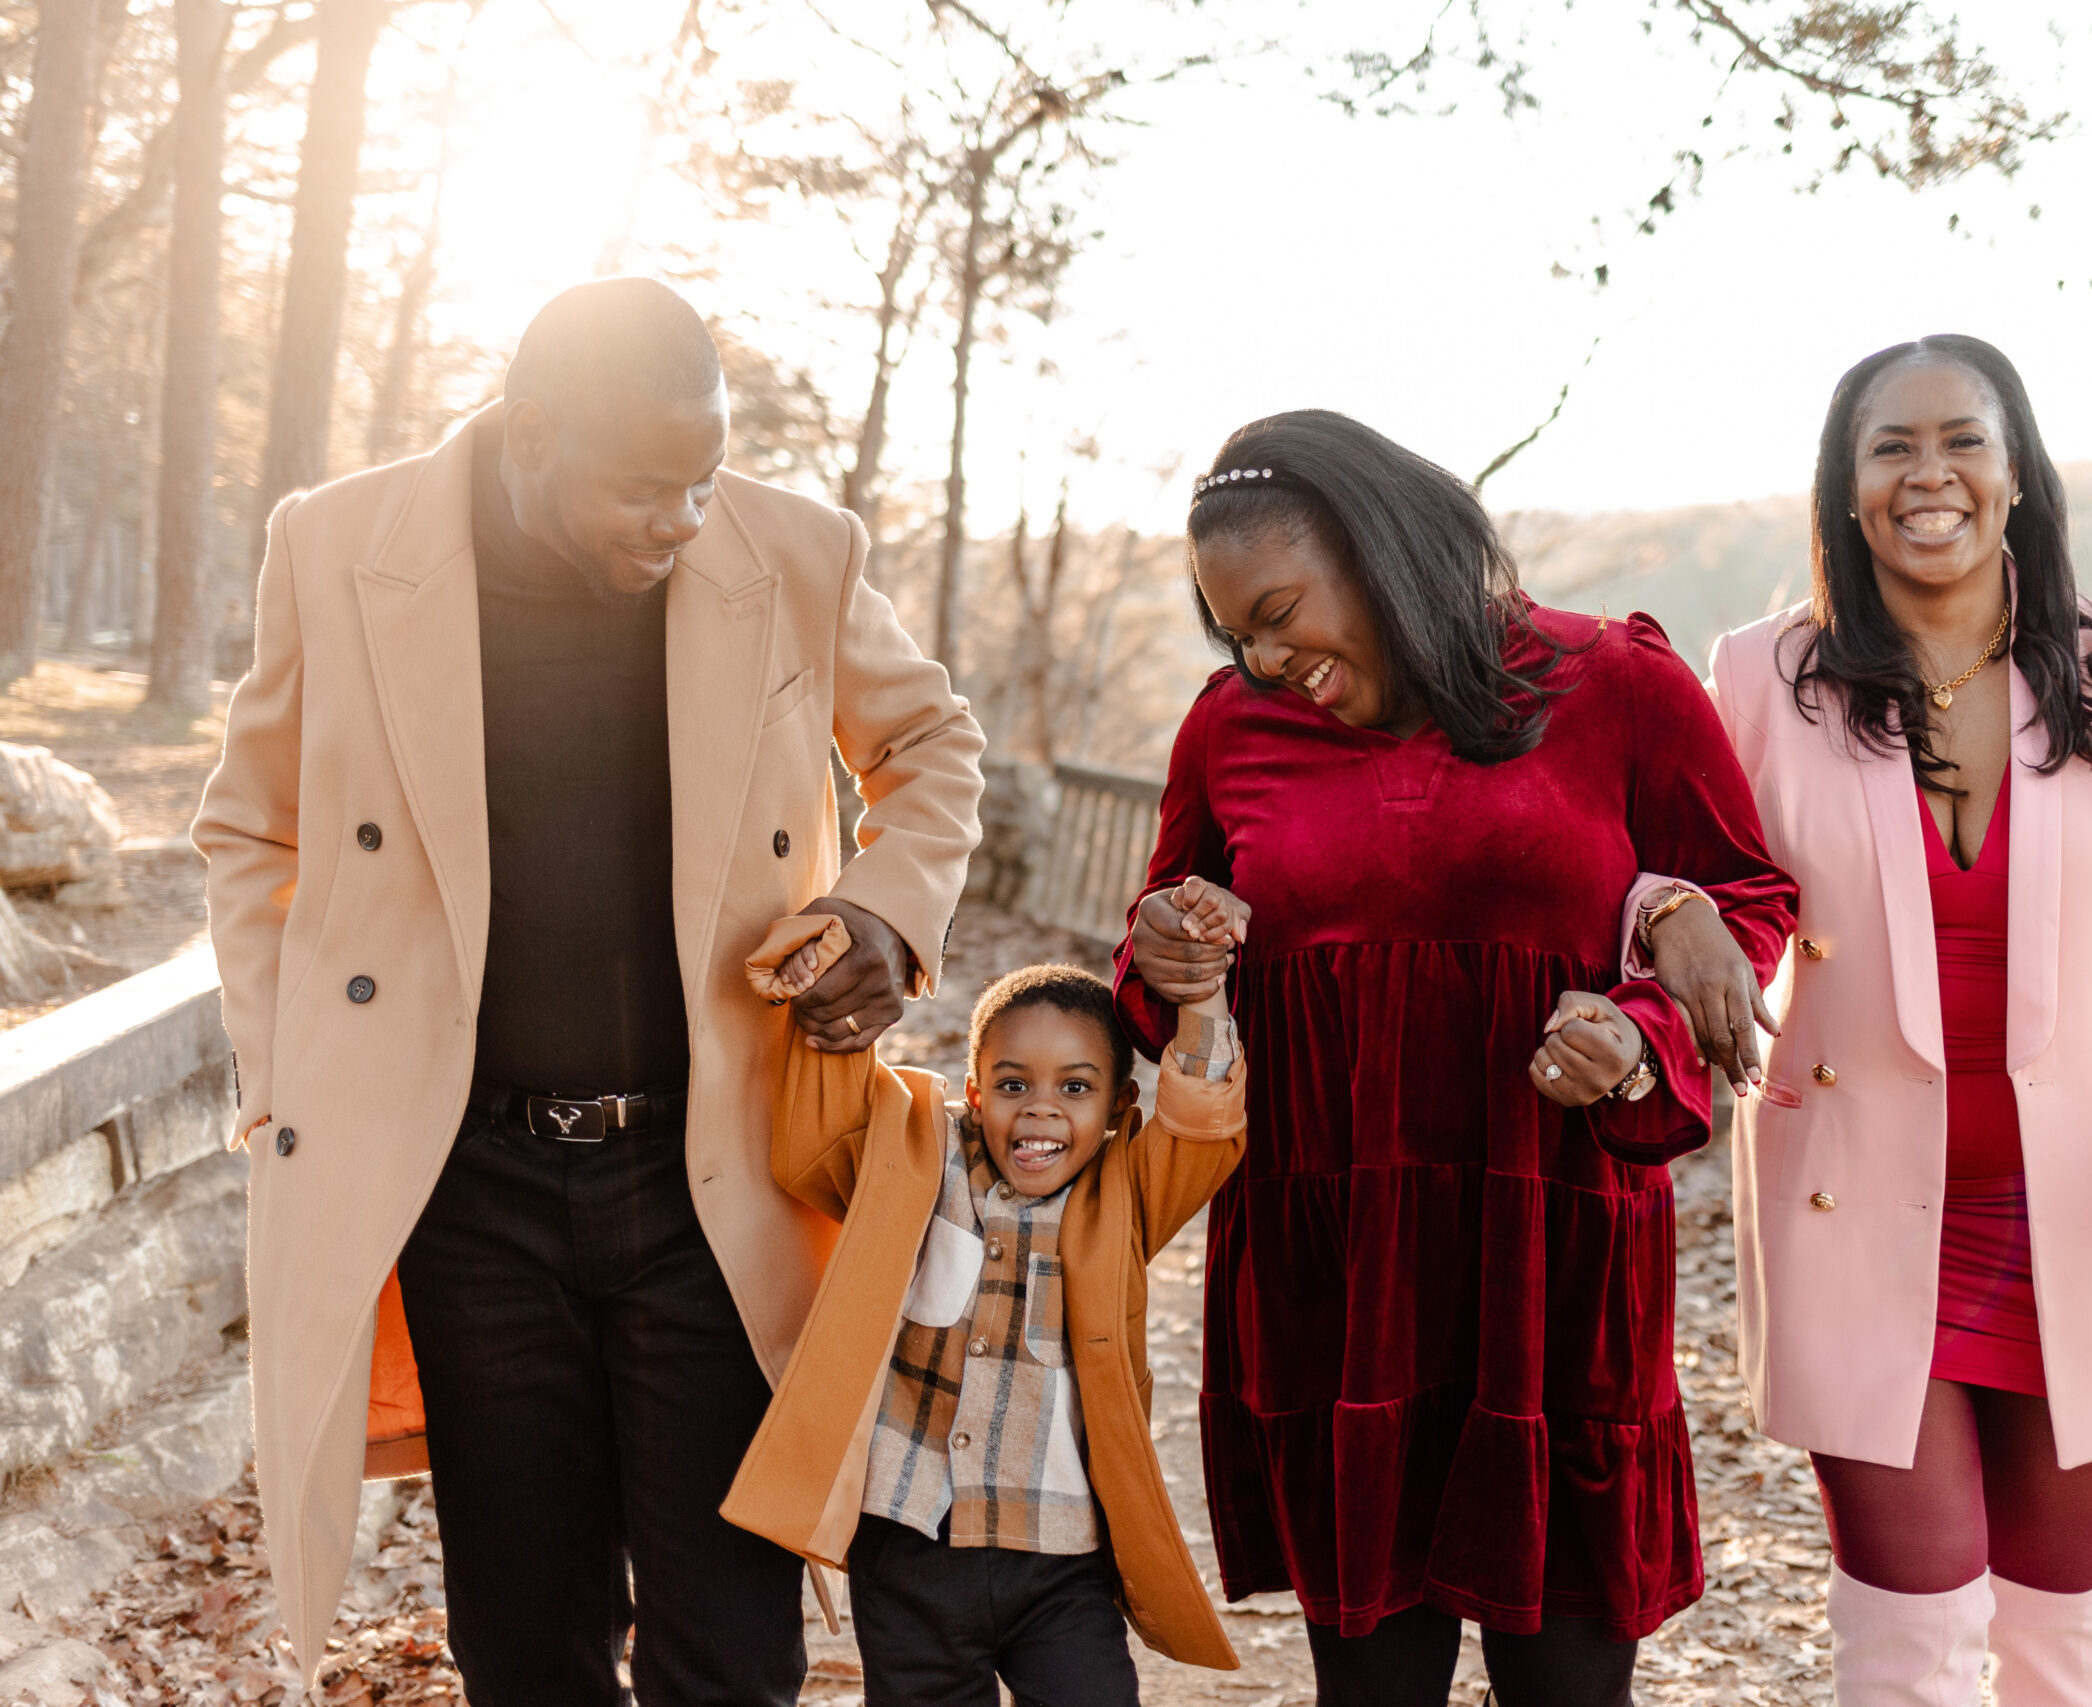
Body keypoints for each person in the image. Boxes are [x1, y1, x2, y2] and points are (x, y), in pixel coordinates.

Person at [193, 276, 986, 1704]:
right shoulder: (337, 547)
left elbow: (930, 741)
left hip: (714, 1166)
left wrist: (882, 905)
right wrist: (290, 1068)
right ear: (534, 434)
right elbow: (251, 831)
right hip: (471, 1183)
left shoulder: (791, 552)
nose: (683, 518)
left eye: (704, 476)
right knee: (526, 1638)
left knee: (731, 1647)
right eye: (646, 488)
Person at [1641, 334, 2092, 1706]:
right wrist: (1668, 905)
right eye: (1890, 447)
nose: (1926, 473)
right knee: (1911, 1630)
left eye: (1961, 440)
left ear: (2017, 476)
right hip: (1857, 1204)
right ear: (1845, 485)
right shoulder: (1765, 675)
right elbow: (1695, 867)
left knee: (2067, 1633)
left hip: (2076, 1210)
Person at [1115, 409, 1797, 1706]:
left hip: (1557, 1262)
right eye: (1234, 633)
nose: (1263, 656)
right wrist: (1162, 952)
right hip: (1337, 1278)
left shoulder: (1618, 685)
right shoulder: (1229, 729)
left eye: (1277, 610)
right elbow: (1153, 965)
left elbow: (1746, 892)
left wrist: (1642, 1030)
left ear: (1374, 549)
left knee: (1571, 1688)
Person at [720, 890, 1251, 1706]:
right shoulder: (918, 1164)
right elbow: (818, 1137)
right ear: (973, 1091)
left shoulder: (1125, 1198)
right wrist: (823, 968)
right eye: (1012, 1083)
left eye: (1075, 1089)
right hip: (910, 1548)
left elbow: (1204, 1120)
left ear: (1117, 1109)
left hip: (1061, 1559)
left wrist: (1204, 990)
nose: (1040, 1108)